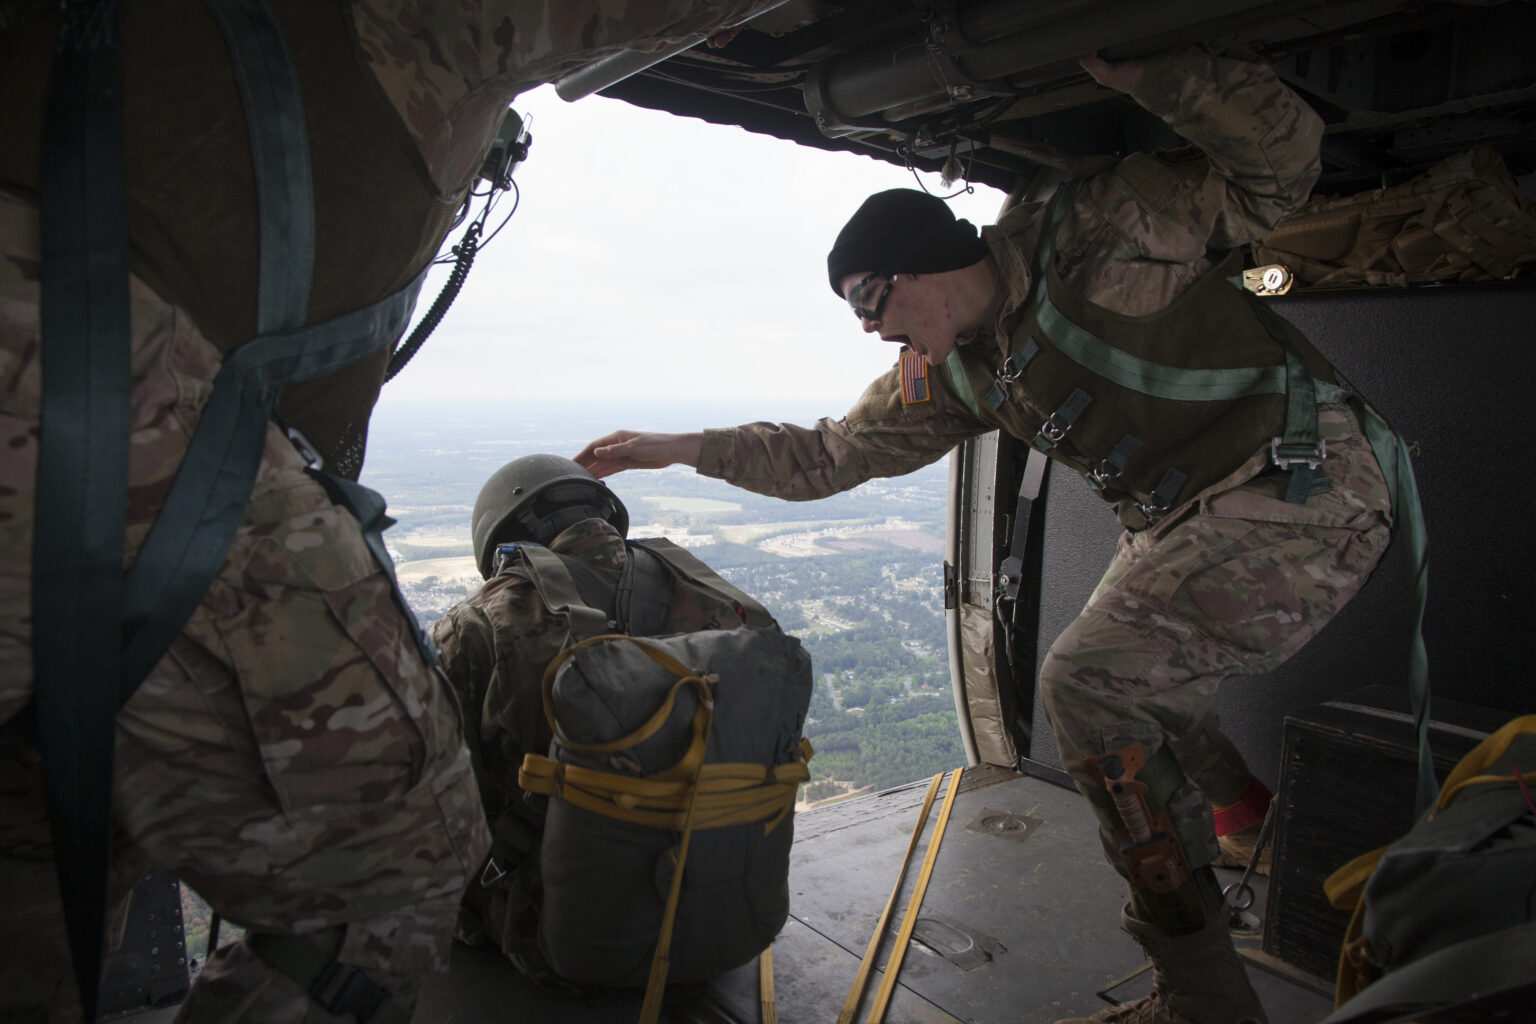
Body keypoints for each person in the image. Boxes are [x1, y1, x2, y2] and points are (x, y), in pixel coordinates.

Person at [577, 48, 1399, 1024]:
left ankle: (1206, 999)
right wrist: (677, 448)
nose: (872, 331)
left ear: (920, 265)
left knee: (1086, 677)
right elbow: (827, 455)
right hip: (1189, 517)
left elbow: (1280, 166)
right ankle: (1239, 811)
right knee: (1127, 672)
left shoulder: (1093, 231)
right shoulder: (962, 370)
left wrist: (1150, 61)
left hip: (1309, 482)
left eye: (868, 302)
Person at [0, 3, 776, 1021]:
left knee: (33, 835)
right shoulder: (689, 580)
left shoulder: (499, 615)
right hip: (92, 395)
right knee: (393, 863)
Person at [431, 453, 779, 982]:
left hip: (543, 934)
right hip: (724, 913)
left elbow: (435, 799)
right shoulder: (709, 597)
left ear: (502, 538)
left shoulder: (479, 625)